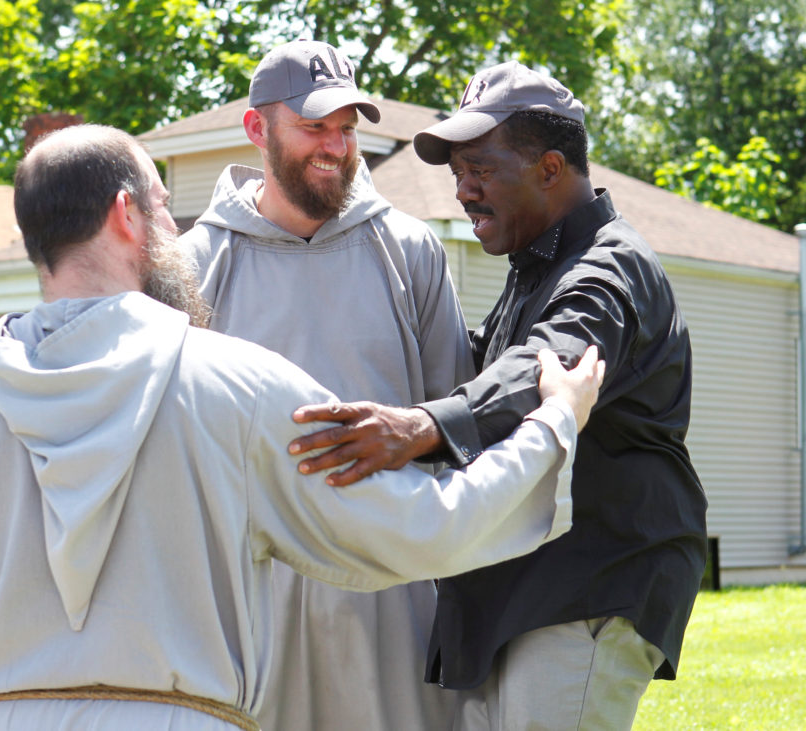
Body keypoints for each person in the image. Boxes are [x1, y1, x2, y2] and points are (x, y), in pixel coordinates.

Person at [0, 123, 604, 731]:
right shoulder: (231, 384)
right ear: (127, 215)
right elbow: (427, 526)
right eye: (164, 207)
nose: (176, 228)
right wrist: (552, 425)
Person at [288, 61, 709, 730]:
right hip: (518, 591)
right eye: (457, 173)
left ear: (549, 169)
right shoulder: (533, 269)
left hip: (586, 586)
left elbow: (542, 370)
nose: (464, 190)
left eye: (480, 170)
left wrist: (418, 426)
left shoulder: (609, 266)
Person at [178, 39, 475, 731]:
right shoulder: (194, 266)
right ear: (257, 128)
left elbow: (459, 424)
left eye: (346, 128)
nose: (335, 146)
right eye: (314, 126)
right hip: (249, 607)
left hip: (393, 598)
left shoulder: (410, 250)